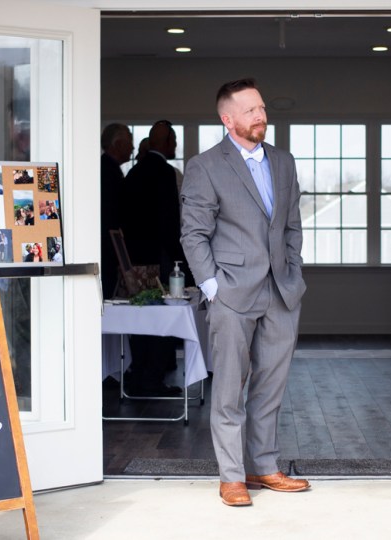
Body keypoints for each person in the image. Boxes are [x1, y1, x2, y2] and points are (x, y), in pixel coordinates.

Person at [181, 78, 310, 507]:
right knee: (229, 389)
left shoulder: (284, 161)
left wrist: (293, 271)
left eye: (262, 107)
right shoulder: (205, 166)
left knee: (270, 387)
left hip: (281, 292)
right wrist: (212, 287)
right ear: (227, 118)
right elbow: (193, 234)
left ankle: (264, 466)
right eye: (250, 110)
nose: (260, 116)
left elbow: (292, 226)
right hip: (231, 293)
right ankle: (232, 476)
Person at [120, 119, 185, 396]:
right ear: (167, 142)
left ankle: (138, 372)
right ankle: (153, 378)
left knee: (140, 317)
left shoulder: (134, 172)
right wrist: (180, 256)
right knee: (164, 317)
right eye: (174, 140)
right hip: (160, 256)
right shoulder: (166, 173)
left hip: (134, 257)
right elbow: (169, 221)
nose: (175, 145)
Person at [100, 123, 133, 299]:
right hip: (107, 246)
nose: (133, 147)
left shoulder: (109, 168)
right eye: (129, 142)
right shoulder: (107, 171)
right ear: (118, 144)